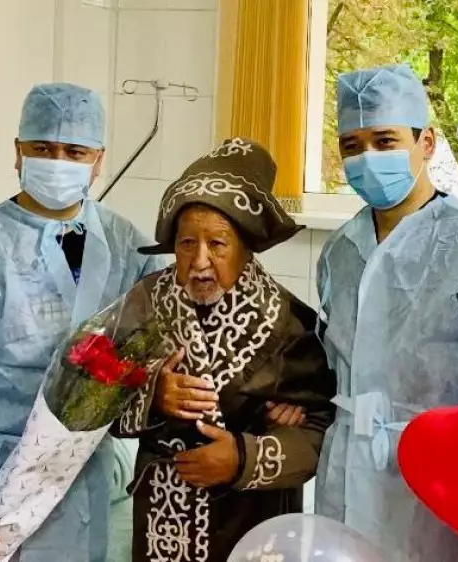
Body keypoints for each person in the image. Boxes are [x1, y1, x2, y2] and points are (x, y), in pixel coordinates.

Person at [0, 83, 164, 562]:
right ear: (18, 152)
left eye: (75, 152)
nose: (58, 161)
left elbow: (162, 344)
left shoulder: (128, 247)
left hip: (84, 477)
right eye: (42, 148)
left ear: (98, 161)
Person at [313, 64, 458, 560]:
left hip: (438, 477)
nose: (367, 157)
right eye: (352, 145)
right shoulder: (341, 250)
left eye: (385, 141)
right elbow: (334, 362)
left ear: (426, 143)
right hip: (346, 469)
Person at [113, 138, 337, 562]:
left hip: (253, 518)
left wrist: (243, 458)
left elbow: (322, 428)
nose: (200, 262)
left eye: (217, 244)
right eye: (186, 244)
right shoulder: (145, 302)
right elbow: (96, 400)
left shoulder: (290, 323)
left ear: (246, 247)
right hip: (164, 518)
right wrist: (152, 395)